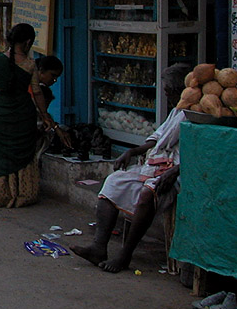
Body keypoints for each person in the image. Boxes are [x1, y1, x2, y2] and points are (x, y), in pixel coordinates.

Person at [72, 64, 189, 273]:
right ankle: (99, 247)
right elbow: (157, 139)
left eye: (169, 91)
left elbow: (198, 154)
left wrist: (175, 170)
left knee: (147, 195)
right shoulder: (177, 111)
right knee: (113, 182)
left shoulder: (197, 112)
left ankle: (125, 255)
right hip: (157, 164)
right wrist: (132, 152)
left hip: (179, 171)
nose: (166, 94)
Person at [0, 23, 40, 208]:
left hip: (2, 112)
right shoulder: (30, 64)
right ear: (28, 42)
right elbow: (37, 92)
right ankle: (23, 194)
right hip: (23, 113)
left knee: (0, 154)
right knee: (24, 154)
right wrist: (45, 115)